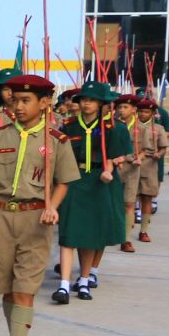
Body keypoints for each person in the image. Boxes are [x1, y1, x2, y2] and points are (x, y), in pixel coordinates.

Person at [0, 74, 80, 336]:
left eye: (26, 101)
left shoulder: (56, 140)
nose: (18, 106)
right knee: (8, 291)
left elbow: (63, 181)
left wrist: (53, 206)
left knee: (24, 291)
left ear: (45, 103)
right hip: (0, 217)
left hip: (36, 219)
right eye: (15, 100)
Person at [55, 82, 129, 302]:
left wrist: (108, 170)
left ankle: (85, 279)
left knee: (92, 232)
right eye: (84, 99)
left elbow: (113, 156)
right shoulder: (69, 126)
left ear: (101, 104)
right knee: (70, 230)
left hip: (99, 181)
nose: (86, 103)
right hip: (74, 179)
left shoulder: (111, 128)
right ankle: (64, 285)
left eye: (92, 100)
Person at [132, 97, 169, 244]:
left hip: (149, 166)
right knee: (129, 199)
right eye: (140, 111)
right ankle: (126, 228)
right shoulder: (132, 126)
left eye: (146, 112)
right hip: (132, 166)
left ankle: (144, 230)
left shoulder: (158, 128)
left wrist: (159, 154)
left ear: (153, 113)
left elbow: (163, 147)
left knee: (146, 198)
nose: (143, 114)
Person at [113, 93, 141, 253]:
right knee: (114, 202)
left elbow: (145, 149)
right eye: (119, 107)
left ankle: (126, 240)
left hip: (132, 169)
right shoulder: (112, 125)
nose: (121, 110)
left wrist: (138, 157)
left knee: (129, 203)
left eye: (125, 107)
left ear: (134, 109)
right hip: (114, 168)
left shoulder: (141, 127)